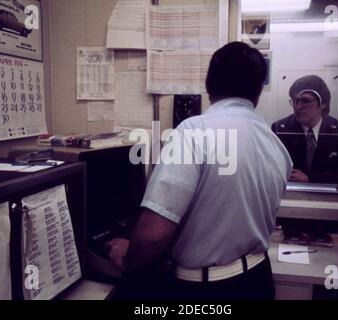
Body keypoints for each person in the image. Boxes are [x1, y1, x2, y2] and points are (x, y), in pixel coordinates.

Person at [106, 41, 292, 300]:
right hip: (258, 281)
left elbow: (153, 234)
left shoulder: (194, 132)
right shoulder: (276, 144)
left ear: (208, 84)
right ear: (259, 90)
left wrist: (128, 257)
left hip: (208, 291)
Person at [271, 75, 338, 187]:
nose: (298, 106)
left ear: (323, 103)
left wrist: (310, 178)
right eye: (294, 100)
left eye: (305, 101)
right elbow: (273, 172)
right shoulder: (281, 128)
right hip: (291, 195)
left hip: (327, 198)